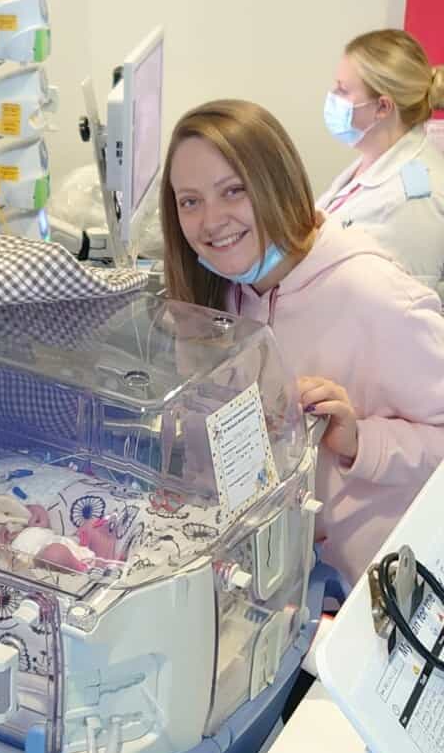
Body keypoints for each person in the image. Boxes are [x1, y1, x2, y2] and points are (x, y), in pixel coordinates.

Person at [160, 98, 444, 587]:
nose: (211, 222)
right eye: (190, 201)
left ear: (277, 184)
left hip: (363, 591)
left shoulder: (375, 296)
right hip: (268, 570)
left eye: (233, 191)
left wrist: (360, 440)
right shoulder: (219, 290)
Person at [318, 28, 444, 294]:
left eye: (342, 90)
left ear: (383, 108)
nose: (332, 97)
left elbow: (406, 309)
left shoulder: (417, 200)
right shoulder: (374, 159)